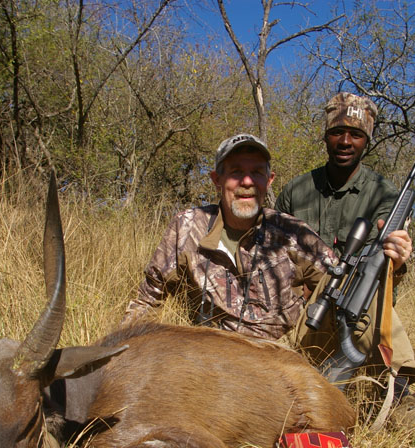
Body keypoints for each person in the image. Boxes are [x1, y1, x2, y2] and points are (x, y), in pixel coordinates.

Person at [275, 92, 415, 448]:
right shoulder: (295, 191)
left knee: (380, 347)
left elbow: (385, 271)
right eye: (338, 132)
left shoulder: (385, 195)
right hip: (302, 314)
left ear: (368, 140)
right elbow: (275, 260)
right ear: (325, 135)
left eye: (356, 134)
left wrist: (398, 258)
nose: (345, 141)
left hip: (356, 312)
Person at [122, 133, 335, 341]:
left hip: (281, 361)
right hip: (215, 363)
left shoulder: (293, 231)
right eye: (236, 172)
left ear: (269, 180)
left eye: (257, 172)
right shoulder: (187, 227)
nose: (247, 181)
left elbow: (338, 283)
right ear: (217, 179)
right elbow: (147, 301)